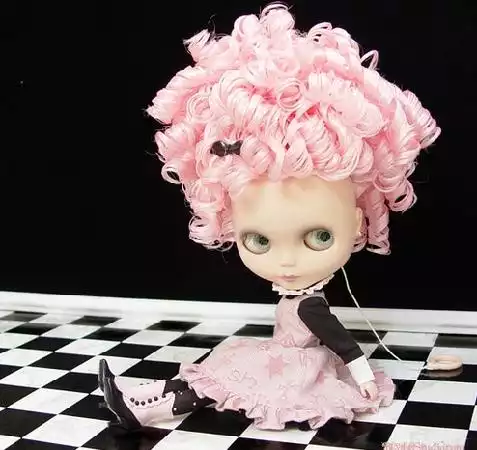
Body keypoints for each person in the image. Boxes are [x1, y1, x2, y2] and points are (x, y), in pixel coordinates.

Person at [98, 2, 441, 432]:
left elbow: (344, 344)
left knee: (215, 381)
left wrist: (364, 378)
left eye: (318, 237)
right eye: (258, 241)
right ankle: (138, 402)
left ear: (358, 224)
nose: (287, 262)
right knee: (212, 379)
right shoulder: (303, 299)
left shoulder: (312, 306)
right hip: (281, 359)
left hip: (297, 370)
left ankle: (141, 406)